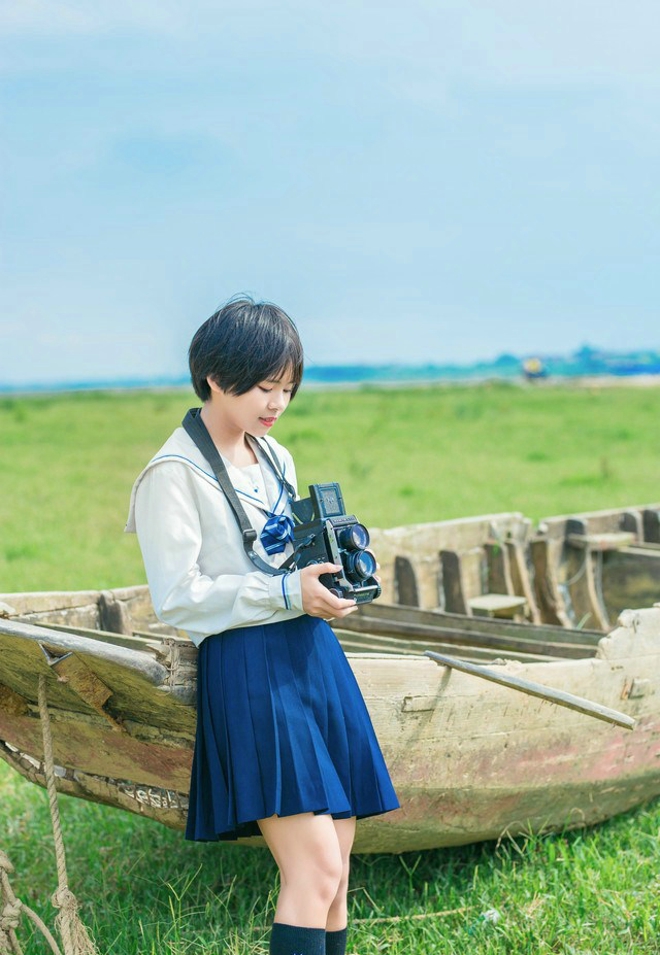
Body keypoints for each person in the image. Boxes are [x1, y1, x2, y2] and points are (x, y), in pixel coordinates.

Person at [125, 296, 399, 955]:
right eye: (263, 387)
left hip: (310, 652)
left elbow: (285, 560)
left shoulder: (275, 455)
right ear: (216, 377)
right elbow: (178, 597)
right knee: (315, 869)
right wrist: (284, 590)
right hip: (249, 667)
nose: (277, 403)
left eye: (287, 389)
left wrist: (322, 584)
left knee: (337, 868)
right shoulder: (173, 474)